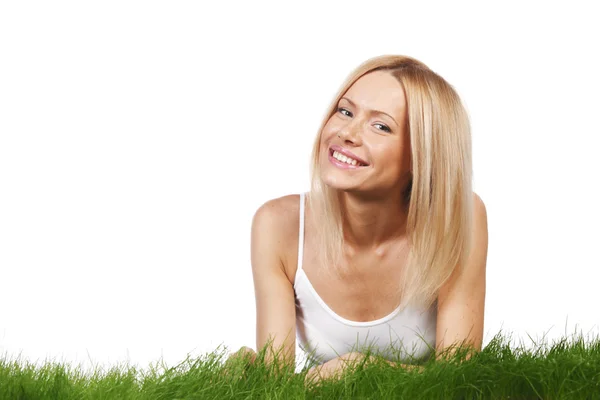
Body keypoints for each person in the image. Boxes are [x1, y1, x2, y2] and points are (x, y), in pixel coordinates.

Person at [229, 55, 488, 383]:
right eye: (345, 111)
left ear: (422, 156)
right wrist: (249, 372)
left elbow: (459, 375)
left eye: (381, 126)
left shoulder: (459, 218)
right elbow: (278, 381)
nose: (347, 133)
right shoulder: (277, 226)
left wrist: (361, 367)